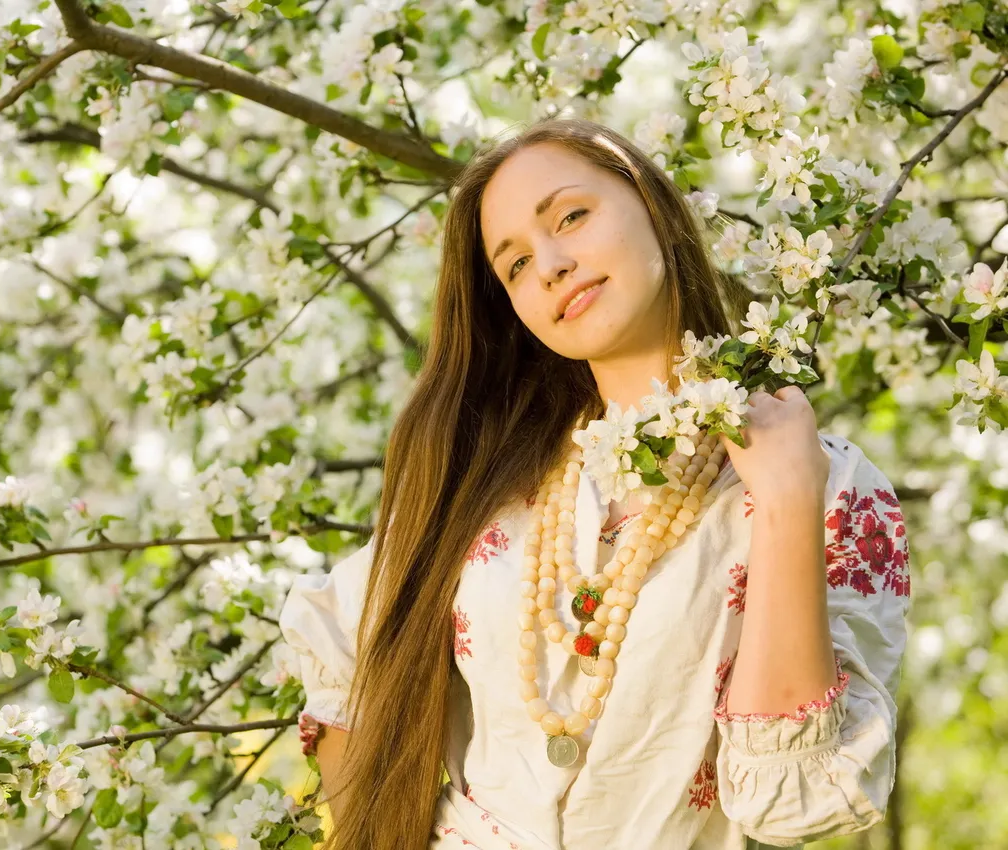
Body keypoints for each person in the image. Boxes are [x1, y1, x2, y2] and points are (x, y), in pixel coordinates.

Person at [278, 117, 911, 850]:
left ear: (656, 206)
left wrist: (786, 499)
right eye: (516, 264)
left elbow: (792, 802)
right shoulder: (487, 481)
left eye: (571, 216)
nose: (549, 265)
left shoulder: (835, 491)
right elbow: (348, 652)